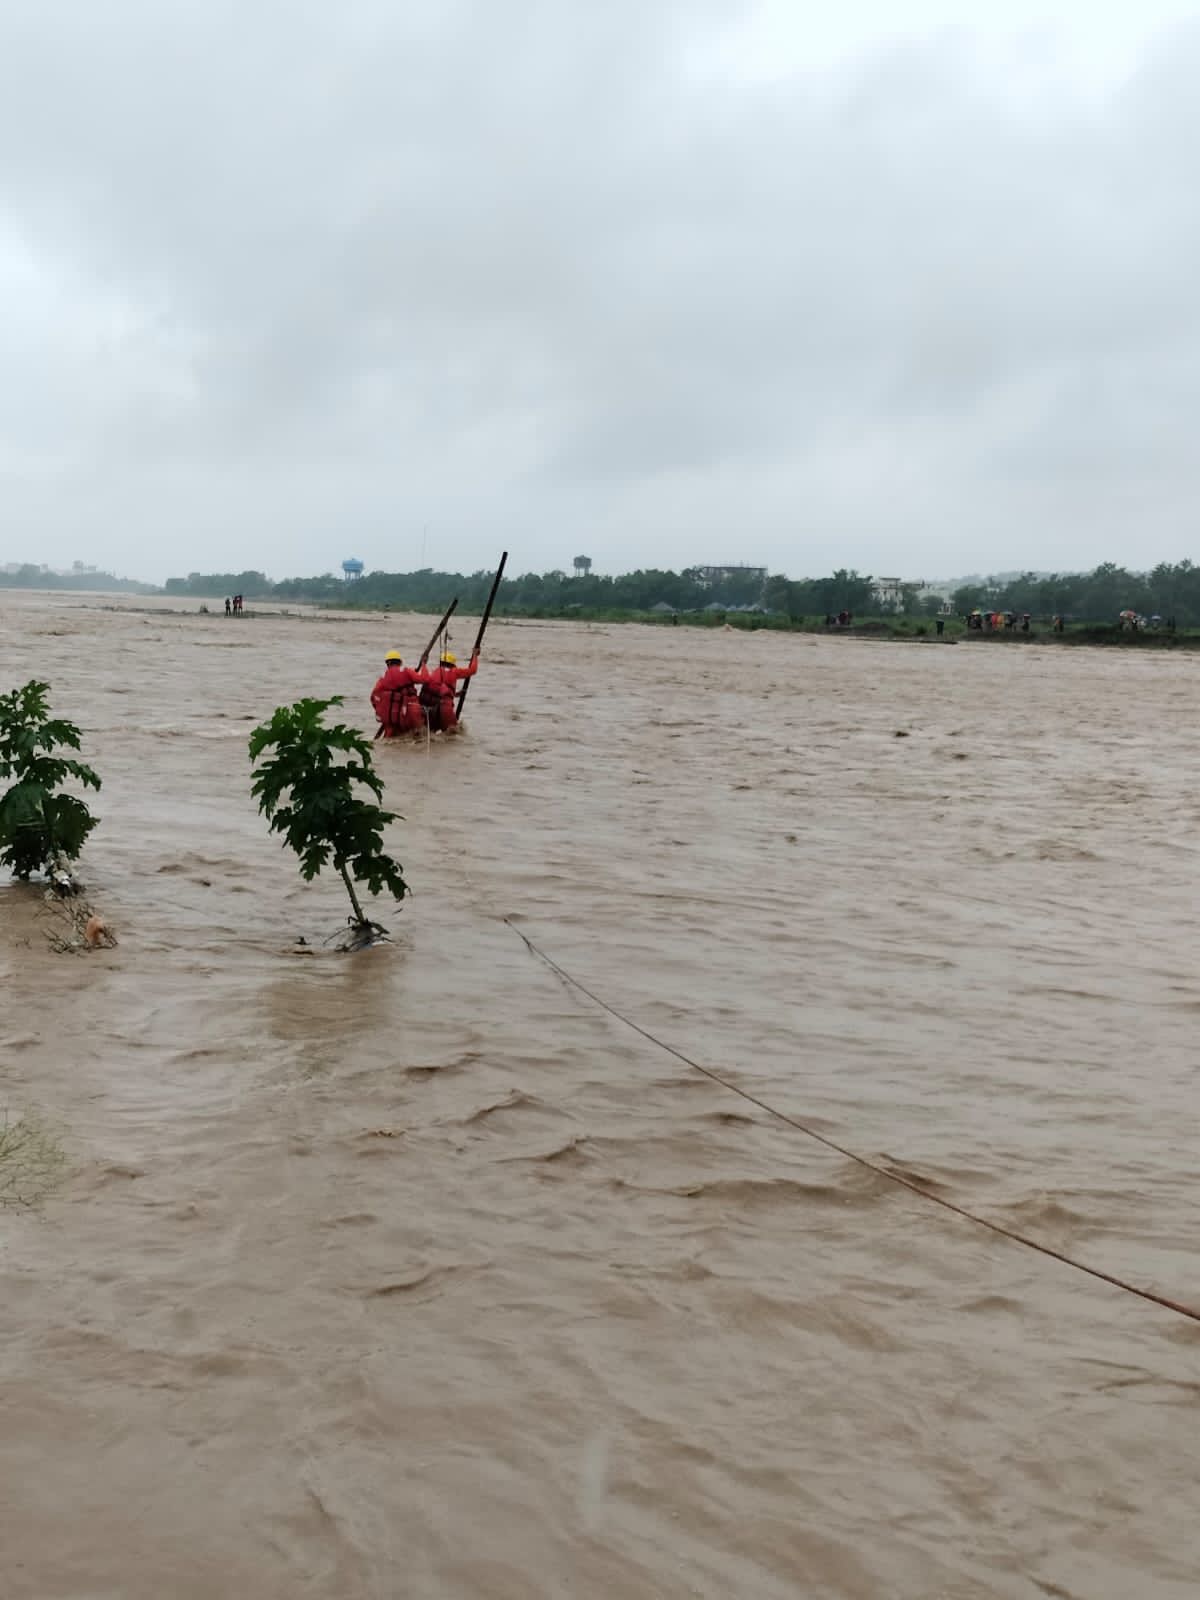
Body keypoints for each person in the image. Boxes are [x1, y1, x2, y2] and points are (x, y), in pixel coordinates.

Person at [371, 651, 430, 738]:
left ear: (387, 664)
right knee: (420, 737)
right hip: (411, 711)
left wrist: (382, 710)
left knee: (389, 740)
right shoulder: (406, 671)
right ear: (400, 662)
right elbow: (424, 679)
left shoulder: (383, 679)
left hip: (393, 716)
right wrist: (424, 665)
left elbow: (373, 697)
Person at [420, 650, 478, 734]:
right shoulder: (454, 671)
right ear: (452, 664)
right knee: (454, 734)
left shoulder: (434, 672)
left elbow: (438, 689)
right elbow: (473, 670)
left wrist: (423, 664)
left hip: (430, 710)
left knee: (430, 734)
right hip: (445, 709)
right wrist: (475, 655)